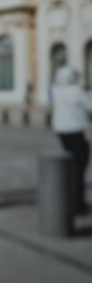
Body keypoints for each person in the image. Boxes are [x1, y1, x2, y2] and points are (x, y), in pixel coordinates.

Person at [50, 65, 92, 215]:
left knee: (70, 164)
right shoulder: (77, 90)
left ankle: (68, 199)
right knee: (80, 166)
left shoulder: (55, 90)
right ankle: (77, 204)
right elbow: (89, 106)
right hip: (77, 130)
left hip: (61, 130)